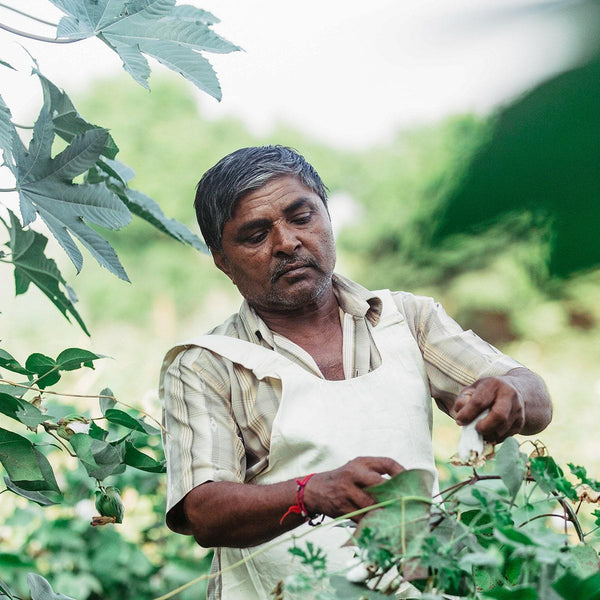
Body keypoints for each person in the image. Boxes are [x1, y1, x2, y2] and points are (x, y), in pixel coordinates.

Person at [159, 145, 552, 600]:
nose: (287, 243)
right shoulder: (206, 365)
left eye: (301, 217)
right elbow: (203, 511)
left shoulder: (407, 321)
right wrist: (309, 493)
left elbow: (534, 397)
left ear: (327, 217)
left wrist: (509, 394)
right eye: (255, 235)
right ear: (221, 260)